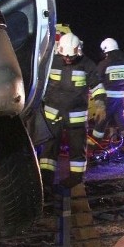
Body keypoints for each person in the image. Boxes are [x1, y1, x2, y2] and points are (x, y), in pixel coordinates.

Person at [39, 32, 106, 189]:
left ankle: (76, 178)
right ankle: (46, 179)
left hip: (76, 117)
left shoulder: (87, 64)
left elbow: (97, 87)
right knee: (49, 150)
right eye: (65, 56)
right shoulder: (50, 61)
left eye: (71, 56)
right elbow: (40, 83)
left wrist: (100, 104)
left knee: (77, 148)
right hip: (52, 115)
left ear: (78, 51)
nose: (68, 59)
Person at [93, 37, 124, 151]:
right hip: (123, 97)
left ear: (106, 51)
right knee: (122, 120)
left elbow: (96, 80)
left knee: (101, 120)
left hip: (108, 97)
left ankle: (93, 145)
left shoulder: (104, 64)